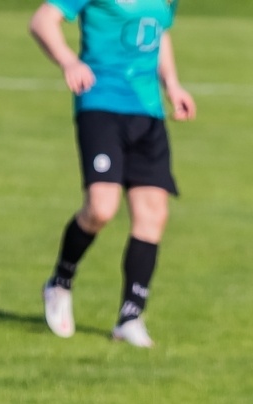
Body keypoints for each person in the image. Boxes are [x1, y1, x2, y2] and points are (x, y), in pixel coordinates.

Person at [29, 0, 194, 347]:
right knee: (101, 208)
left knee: (154, 214)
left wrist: (173, 85)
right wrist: (68, 61)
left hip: (148, 111)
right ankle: (59, 282)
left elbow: (158, 33)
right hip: (100, 103)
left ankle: (130, 317)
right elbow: (43, 21)